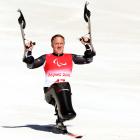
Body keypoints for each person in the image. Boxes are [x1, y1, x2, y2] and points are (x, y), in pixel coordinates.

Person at [23, 34, 96, 133]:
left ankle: (60, 120)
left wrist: (87, 45)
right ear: (52, 45)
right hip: (50, 93)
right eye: (56, 43)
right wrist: (29, 51)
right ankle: (65, 113)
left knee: (64, 84)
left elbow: (88, 59)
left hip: (64, 91)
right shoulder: (46, 57)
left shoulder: (70, 57)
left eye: (61, 43)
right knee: (60, 84)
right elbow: (31, 65)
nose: (59, 45)